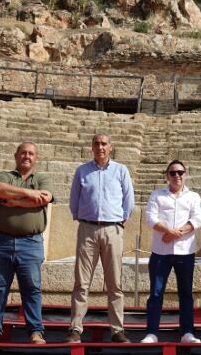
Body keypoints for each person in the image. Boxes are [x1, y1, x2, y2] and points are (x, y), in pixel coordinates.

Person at [0, 142, 54, 345]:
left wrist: (16, 200)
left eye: (31, 154)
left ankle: (36, 332)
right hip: (1, 240)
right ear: (16, 156)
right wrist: (30, 194)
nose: (27, 156)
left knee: (32, 289)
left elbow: (45, 197)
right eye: (23, 153)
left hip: (31, 242)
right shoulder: (4, 175)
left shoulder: (43, 178)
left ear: (36, 158)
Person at [66, 133, 135, 344]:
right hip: (87, 228)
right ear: (92, 147)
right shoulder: (82, 170)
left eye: (104, 143)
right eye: (96, 143)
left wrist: (119, 220)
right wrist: (83, 218)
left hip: (113, 229)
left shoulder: (121, 170)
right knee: (81, 282)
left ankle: (117, 330)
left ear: (110, 147)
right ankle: (75, 328)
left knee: (115, 283)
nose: (100, 147)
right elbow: (74, 200)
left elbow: (128, 200)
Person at [141, 160, 201, 344]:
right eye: (173, 173)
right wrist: (169, 231)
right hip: (161, 252)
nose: (177, 176)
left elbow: (197, 219)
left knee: (185, 293)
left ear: (186, 174)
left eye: (180, 172)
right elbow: (151, 218)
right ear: (167, 175)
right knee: (156, 293)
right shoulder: (157, 195)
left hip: (185, 253)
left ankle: (187, 332)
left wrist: (175, 233)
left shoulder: (193, 196)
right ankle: (152, 332)